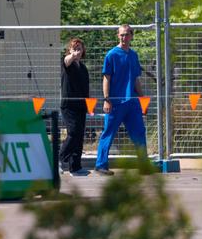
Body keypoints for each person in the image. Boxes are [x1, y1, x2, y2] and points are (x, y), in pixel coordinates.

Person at [95, 24, 147, 175]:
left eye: (127, 34)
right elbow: (106, 78)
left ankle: (144, 164)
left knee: (139, 132)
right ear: (118, 36)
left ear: (131, 35)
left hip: (132, 103)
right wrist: (106, 99)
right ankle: (101, 165)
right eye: (121, 35)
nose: (124, 37)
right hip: (115, 102)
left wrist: (142, 97)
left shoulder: (133, 55)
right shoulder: (111, 55)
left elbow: (136, 79)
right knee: (108, 132)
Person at [60, 37, 90, 176]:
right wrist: (72, 55)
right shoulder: (67, 63)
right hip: (69, 105)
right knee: (73, 132)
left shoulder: (83, 68)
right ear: (69, 51)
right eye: (74, 49)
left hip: (81, 105)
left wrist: (88, 105)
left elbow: (85, 88)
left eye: (80, 49)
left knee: (79, 135)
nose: (77, 52)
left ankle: (75, 166)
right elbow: (67, 60)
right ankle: (59, 159)